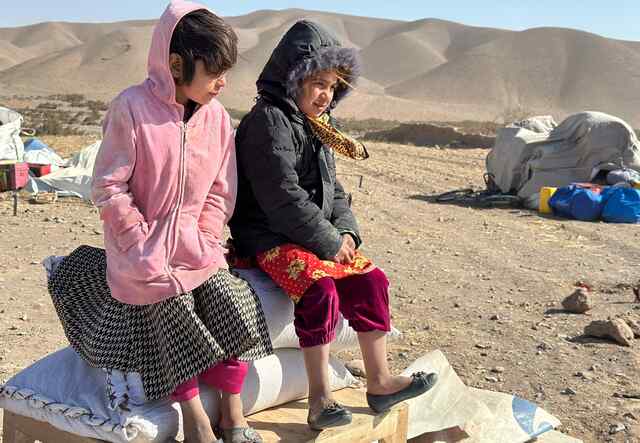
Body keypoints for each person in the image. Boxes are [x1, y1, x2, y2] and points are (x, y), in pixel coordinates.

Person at [48, 3, 272, 442]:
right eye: (214, 72)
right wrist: (137, 241)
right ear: (176, 64)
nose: (222, 83)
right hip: (139, 253)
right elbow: (109, 186)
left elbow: (220, 190)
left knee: (236, 301)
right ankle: (195, 419)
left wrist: (206, 236)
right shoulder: (131, 108)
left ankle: (232, 412)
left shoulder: (217, 119)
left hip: (197, 247)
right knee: (169, 306)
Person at [230, 20, 437, 431]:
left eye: (332, 87)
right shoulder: (268, 121)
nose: (325, 95)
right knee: (319, 288)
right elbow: (280, 195)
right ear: (292, 78)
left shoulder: (319, 128)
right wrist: (327, 242)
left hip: (311, 235)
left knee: (371, 280)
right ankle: (320, 398)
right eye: (317, 84)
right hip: (268, 234)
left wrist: (346, 234)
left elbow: (335, 191)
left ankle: (379, 382)